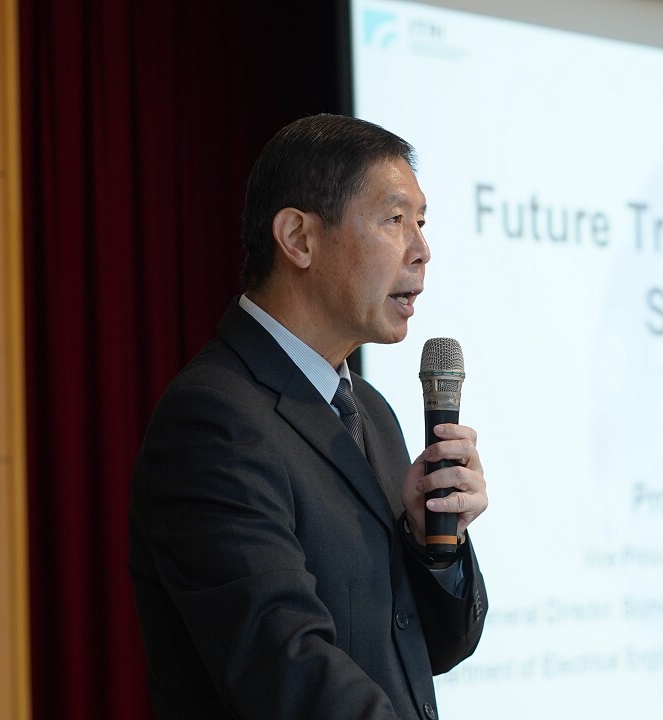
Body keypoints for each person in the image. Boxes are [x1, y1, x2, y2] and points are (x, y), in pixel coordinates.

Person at [129, 114, 489, 720]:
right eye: (395, 220)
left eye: (422, 223)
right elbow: (285, 670)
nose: (422, 250)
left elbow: (431, 646)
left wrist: (435, 545)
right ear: (298, 238)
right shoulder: (212, 420)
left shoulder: (369, 410)